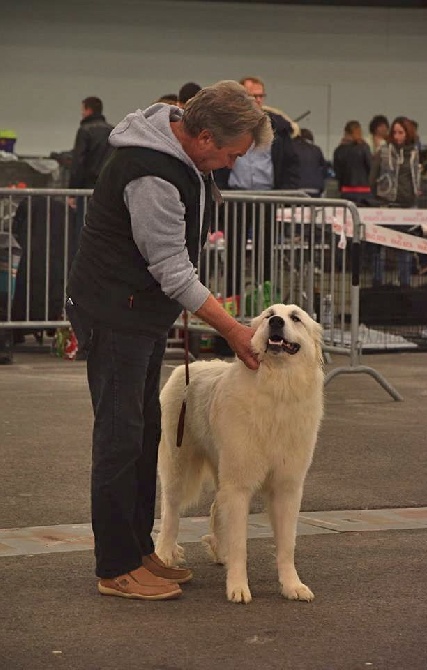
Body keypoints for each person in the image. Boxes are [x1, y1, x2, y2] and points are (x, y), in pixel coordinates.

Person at [66, 80, 273, 601]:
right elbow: (172, 270)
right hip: (117, 315)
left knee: (144, 431)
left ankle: (139, 552)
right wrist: (231, 328)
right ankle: (115, 567)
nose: (227, 165)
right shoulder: (151, 172)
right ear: (203, 137)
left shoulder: (182, 155)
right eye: (228, 155)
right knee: (119, 438)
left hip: (141, 314)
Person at [214, 76, 300, 300]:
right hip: (236, 197)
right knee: (234, 252)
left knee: (266, 252)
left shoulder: (277, 129)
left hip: (267, 196)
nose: (258, 100)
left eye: (261, 95)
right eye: (253, 95)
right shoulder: (227, 127)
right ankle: (233, 299)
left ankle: (265, 299)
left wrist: (286, 191)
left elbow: (291, 162)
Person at [370, 116, 421, 286]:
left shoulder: (414, 152)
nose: (397, 136)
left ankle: (405, 284)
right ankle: (377, 282)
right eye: (395, 132)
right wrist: (378, 197)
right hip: (387, 205)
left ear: (408, 134)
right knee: (380, 247)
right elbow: (372, 177)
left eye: (401, 132)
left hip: (408, 206)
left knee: (404, 248)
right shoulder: (383, 152)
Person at [68, 97, 114, 246]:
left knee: (83, 229)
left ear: (88, 110)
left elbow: (78, 163)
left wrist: (72, 191)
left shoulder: (84, 131)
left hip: (86, 189)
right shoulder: (112, 131)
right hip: (107, 189)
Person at [333, 120, 372, 205]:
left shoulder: (339, 150)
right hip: (364, 191)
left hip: (346, 191)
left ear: (345, 133)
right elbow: (370, 167)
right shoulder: (364, 147)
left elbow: (337, 173)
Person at [292, 128, 327, 196]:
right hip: (315, 188)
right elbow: (324, 170)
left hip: (296, 188)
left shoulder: (291, 148)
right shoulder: (317, 149)